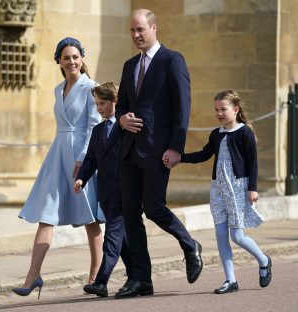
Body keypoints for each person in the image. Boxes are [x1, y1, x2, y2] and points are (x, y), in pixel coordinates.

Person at [114, 9, 203, 299]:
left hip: (157, 150)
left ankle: (190, 245)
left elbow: (182, 106)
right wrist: (121, 119)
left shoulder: (171, 60)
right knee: (130, 214)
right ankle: (141, 279)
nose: (136, 35)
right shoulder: (129, 66)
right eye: (132, 31)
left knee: (153, 207)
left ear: (154, 28)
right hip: (129, 151)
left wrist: (176, 147)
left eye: (141, 29)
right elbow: (121, 106)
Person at [12, 37, 105, 299]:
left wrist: (85, 158)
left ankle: (95, 277)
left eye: (76, 56)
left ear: (82, 59)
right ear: (59, 61)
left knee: (90, 218)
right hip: (58, 154)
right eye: (66, 57)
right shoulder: (57, 89)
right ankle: (32, 276)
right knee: (46, 213)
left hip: (82, 156)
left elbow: (93, 126)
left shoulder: (91, 88)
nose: (72, 61)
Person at [179, 89, 272, 294]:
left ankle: (264, 260)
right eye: (216, 110)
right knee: (220, 234)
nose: (219, 113)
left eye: (223, 109)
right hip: (218, 189)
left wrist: (252, 188)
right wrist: (181, 157)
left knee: (237, 236)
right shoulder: (216, 134)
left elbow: (253, 163)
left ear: (236, 110)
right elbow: (204, 154)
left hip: (238, 187)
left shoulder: (244, 132)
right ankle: (230, 280)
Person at [74, 82, 132, 297]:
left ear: (115, 101)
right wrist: (82, 179)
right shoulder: (98, 130)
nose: (99, 108)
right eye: (96, 104)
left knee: (113, 236)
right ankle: (139, 277)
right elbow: (91, 160)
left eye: (103, 103)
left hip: (124, 190)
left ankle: (101, 281)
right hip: (105, 192)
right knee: (123, 240)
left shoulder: (126, 126)